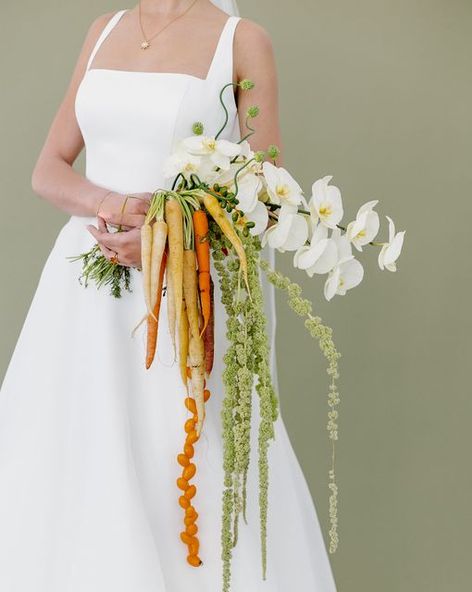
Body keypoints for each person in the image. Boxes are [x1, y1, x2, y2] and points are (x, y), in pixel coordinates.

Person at [0, 1, 337, 590]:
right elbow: (47, 170)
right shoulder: (101, 31)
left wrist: (170, 236)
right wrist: (120, 210)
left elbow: (266, 197)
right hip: (86, 288)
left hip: (183, 286)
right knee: (74, 451)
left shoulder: (243, 40)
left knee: (176, 456)